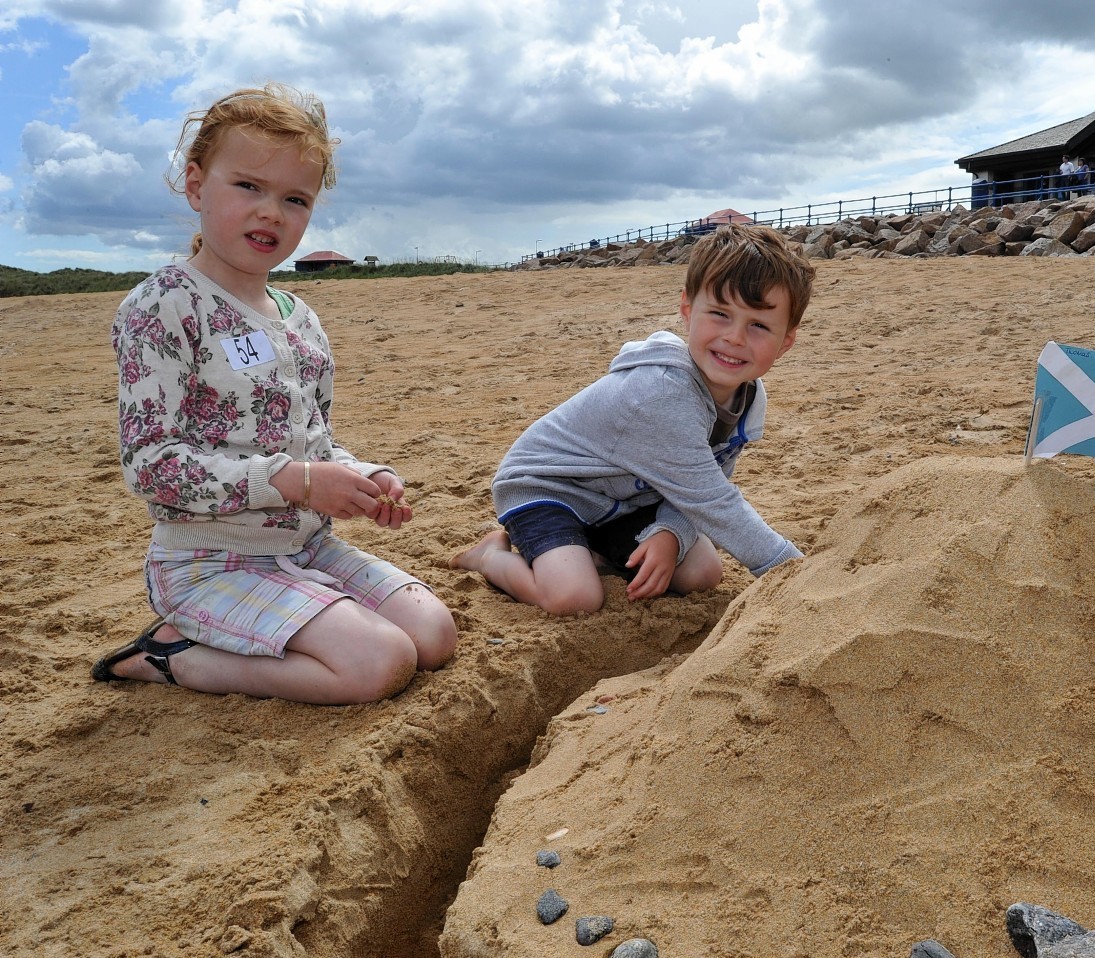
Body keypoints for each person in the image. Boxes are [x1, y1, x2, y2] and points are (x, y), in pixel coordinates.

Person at [92, 83, 457, 703]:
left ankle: (279, 624)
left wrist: (365, 477)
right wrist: (297, 481)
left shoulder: (300, 319)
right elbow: (150, 466)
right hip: (208, 562)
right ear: (195, 184)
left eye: (295, 198)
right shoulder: (165, 306)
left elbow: (315, 441)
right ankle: (172, 655)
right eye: (248, 187)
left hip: (306, 547)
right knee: (381, 662)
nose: (271, 212)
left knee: (435, 634)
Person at [450, 223, 813, 615]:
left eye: (758, 325)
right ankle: (490, 556)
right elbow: (715, 503)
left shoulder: (749, 395)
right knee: (574, 599)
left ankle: (589, 548)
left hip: (623, 499)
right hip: (549, 488)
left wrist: (671, 533)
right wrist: (795, 575)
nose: (736, 338)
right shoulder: (661, 395)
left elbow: (709, 481)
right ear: (688, 310)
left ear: (785, 342)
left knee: (702, 573)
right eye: (720, 314)